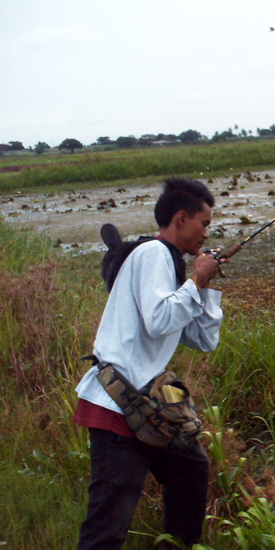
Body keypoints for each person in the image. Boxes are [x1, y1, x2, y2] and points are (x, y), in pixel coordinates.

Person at [73, 177, 226, 549]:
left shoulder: (170, 264)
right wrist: (196, 281)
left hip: (149, 406)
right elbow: (160, 319)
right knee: (109, 519)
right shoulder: (153, 254)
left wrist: (204, 287)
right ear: (180, 218)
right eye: (204, 223)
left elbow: (202, 339)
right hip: (117, 405)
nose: (207, 234)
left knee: (191, 473)